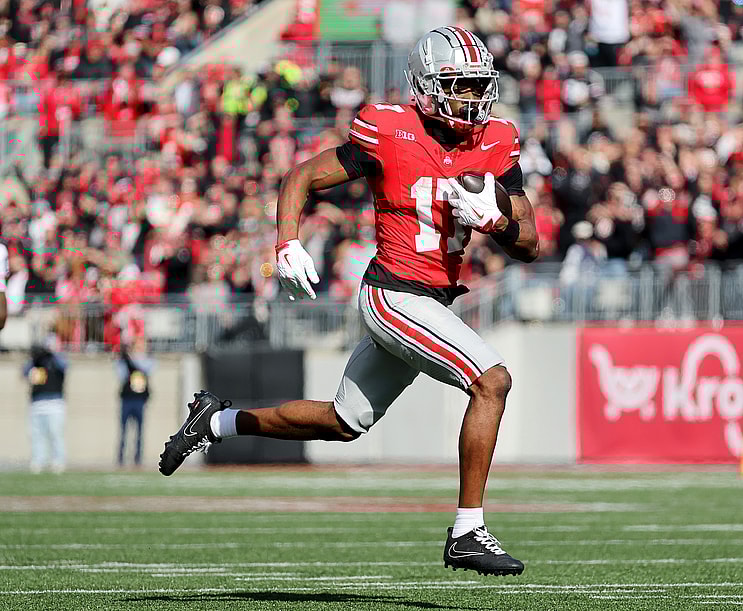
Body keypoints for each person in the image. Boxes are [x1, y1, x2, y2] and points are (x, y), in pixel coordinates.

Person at [159, 26, 539, 576]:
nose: (472, 100)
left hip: (433, 300)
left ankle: (215, 422)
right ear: (428, 86)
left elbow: (530, 241)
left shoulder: (497, 139)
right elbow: (302, 176)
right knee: (492, 380)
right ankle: (468, 530)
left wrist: (499, 222)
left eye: (479, 86)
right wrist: (287, 242)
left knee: (343, 421)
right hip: (393, 293)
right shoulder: (389, 129)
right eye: (459, 86)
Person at [23, 335, 68, 474]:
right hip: (37, 403)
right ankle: (38, 460)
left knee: (55, 433)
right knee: (36, 434)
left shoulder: (58, 359)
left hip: (54, 403)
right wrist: (35, 358)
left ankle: (58, 460)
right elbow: (24, 372)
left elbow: (65, 366)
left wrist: (52, 354)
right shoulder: (37, 361)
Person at [117, 336, 154, 467]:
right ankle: (120, 458)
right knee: (123, 431)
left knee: (139, 432)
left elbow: (146, 368)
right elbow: (120, 374)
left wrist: (130, 359)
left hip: (139, 400)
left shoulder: (146, 360)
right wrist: (125, 356)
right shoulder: (124, 361)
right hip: (127, 399)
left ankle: (137, 458)